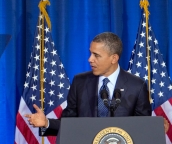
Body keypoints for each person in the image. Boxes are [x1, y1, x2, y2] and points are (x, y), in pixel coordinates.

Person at [25, 32, 153, 135]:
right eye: (91, 53)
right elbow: (69, 123)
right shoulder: (80, 82)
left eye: (96, 55)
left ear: (114, 58)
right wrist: (46, 122)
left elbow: (142, 128)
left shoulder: (136, 86)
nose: (90, 59)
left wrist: (156, 127)